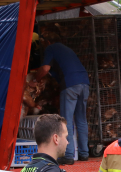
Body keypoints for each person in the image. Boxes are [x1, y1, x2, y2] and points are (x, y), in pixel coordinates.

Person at [36, 31, 90, 165]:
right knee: (81, 119)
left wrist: (35, 79)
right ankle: (84, 153)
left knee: (67, 120)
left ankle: (68, 155)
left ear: (48, 42)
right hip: (84, 83)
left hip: (71, 85)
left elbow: (45, 68)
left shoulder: (51, 48)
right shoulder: (66, 49)